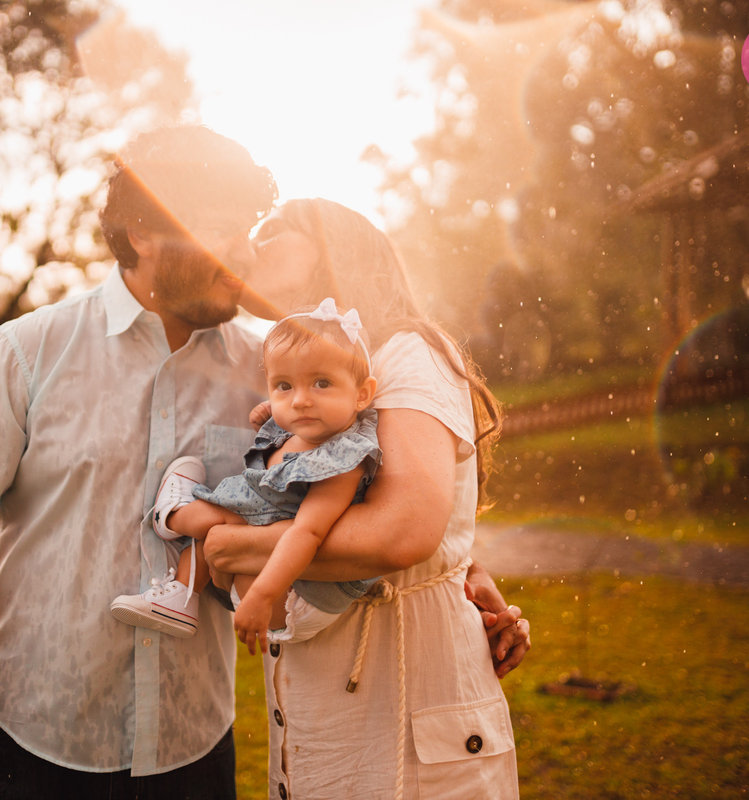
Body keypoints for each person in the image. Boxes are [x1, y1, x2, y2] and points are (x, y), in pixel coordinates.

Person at [0, 125, 278, 800]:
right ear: (143, 231)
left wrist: (465, 580)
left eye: (249, 229)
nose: (243, 253)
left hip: (192, 748)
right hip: (31, 746)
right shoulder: (26, 353)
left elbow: (349, 483)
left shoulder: (267, 373)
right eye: (220, 228)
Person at [203, 198, 530, 799]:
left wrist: (236, 547)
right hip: (328, 725)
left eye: (272, 231)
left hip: (404, 732)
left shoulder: (405, 353)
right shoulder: (292, 385)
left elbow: (404, 530)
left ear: (334, 248)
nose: (250, 243)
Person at [110, 300, 383, 651]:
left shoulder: (343, 459)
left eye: (321, 382)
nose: (299, 400)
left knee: (224, 509)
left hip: (288, 595)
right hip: (274, 578)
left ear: (362, 394)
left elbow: (308, 532)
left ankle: (174, 516)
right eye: (284, 385)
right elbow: (289, 418)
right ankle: (180, 597)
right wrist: (272, 417)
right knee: (239, 505)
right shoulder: (311, 428)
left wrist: (262, 596)